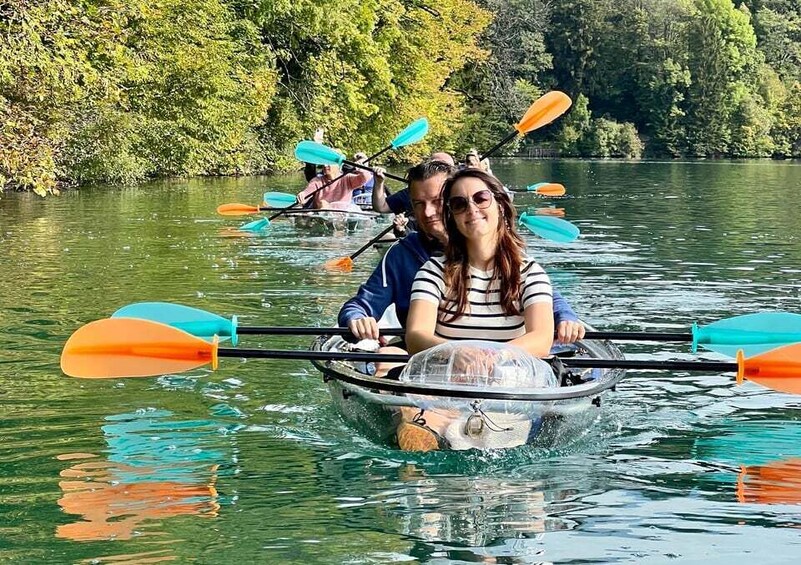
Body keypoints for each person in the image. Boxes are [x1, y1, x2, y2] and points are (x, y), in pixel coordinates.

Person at [338, 161, 585, 345]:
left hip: (506, 362)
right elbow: (364, 305)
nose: (427, 213)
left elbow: (542, 294)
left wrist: (564, 315)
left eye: (437, 201)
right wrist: (356, 317)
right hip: (428, 359)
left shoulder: (510, 258)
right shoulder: (404, 257)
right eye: (418, 204)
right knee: (387, 355)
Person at [406, 169, 553, 357]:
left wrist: (495, 357)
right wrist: (455, 353)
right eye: (459, 204)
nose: (472, 209)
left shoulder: (529, 272)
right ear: (453, 218)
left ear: (500, 205)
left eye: (481, 198)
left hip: (510, 381)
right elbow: (416, 336)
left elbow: (542, 338)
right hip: (449, 381)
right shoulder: (433, 271)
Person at [371, 151, 456, 215]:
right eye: (420, 203)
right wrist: (379, 183)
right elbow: (381, 207)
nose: (427, 213)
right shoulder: (412, 192)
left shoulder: (458, 194)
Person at [296, 158, 371, 209]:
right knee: (322, 203)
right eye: (324, 163)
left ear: (338, 166)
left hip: (342, 215)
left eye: (329, 163)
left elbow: (365, 178)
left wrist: (361, 170)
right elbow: (307, 193)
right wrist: (302, 196)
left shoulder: (347, 178)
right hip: (322, 215)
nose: (325, 166)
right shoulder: (316, 181)